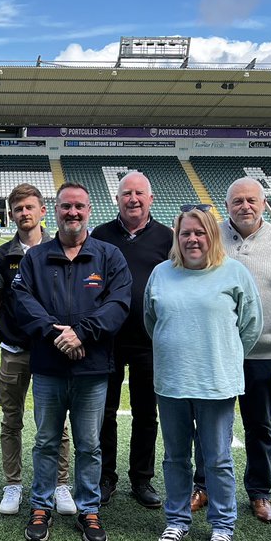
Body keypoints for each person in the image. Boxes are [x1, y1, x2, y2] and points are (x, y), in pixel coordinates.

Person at [12, 182, 132, 541]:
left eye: (79, 207)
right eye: (66, 207)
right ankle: (41, 505)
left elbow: (119, 303)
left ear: (89, 210)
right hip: (48, 366)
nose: (73, 213)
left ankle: (88, 509)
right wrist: (55, 333)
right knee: (46, 440)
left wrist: (82, 333)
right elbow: (21, 300)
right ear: (56, 209)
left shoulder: (109, 256)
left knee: (89, 445)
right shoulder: (35, 257)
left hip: (92, 368)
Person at [146, 205, 262, 541]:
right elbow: (151, 322)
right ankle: (177, 520)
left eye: (199, 232)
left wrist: (221, 355)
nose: (192, 239)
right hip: (171, 382)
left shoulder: (234, 273)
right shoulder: (162, 273)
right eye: (185, 233)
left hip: (216, 383)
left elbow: (250, 326)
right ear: (176, 238)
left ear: (212, 235)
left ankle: (223, 525)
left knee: (217, 459)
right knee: (175, 458)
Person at [191, 178, 271, 524]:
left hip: (263, 353)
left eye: (251, 200)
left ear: (263, 202)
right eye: (237, 200)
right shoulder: (212, 236)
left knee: (259, 425)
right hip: (216, 351)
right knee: (208, 423)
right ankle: (204, 484)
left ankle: (259, 492)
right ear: (227, 205)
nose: (245, 206)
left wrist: (266, 321)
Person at [0, 184, 72, 516]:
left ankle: (60, 483)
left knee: (56, 422)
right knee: (12, 419)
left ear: (42, 211)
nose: (24, 213)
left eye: (29, 207)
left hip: (52, 350)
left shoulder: (59, 249)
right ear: (11, 214)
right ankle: (13, 484)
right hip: (14, 349)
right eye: (18, 208)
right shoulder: (3, 254)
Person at [91, 171, 174, 509]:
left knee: (145, 413)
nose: (133, 199)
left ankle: (142, 478)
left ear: (150, 198)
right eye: (127, 193)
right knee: (104, 411)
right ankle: (105, 477)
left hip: (149, 339)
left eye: (139, 193)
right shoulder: (100, 235)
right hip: (107, 339)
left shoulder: (168, 238)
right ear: (117, 199)